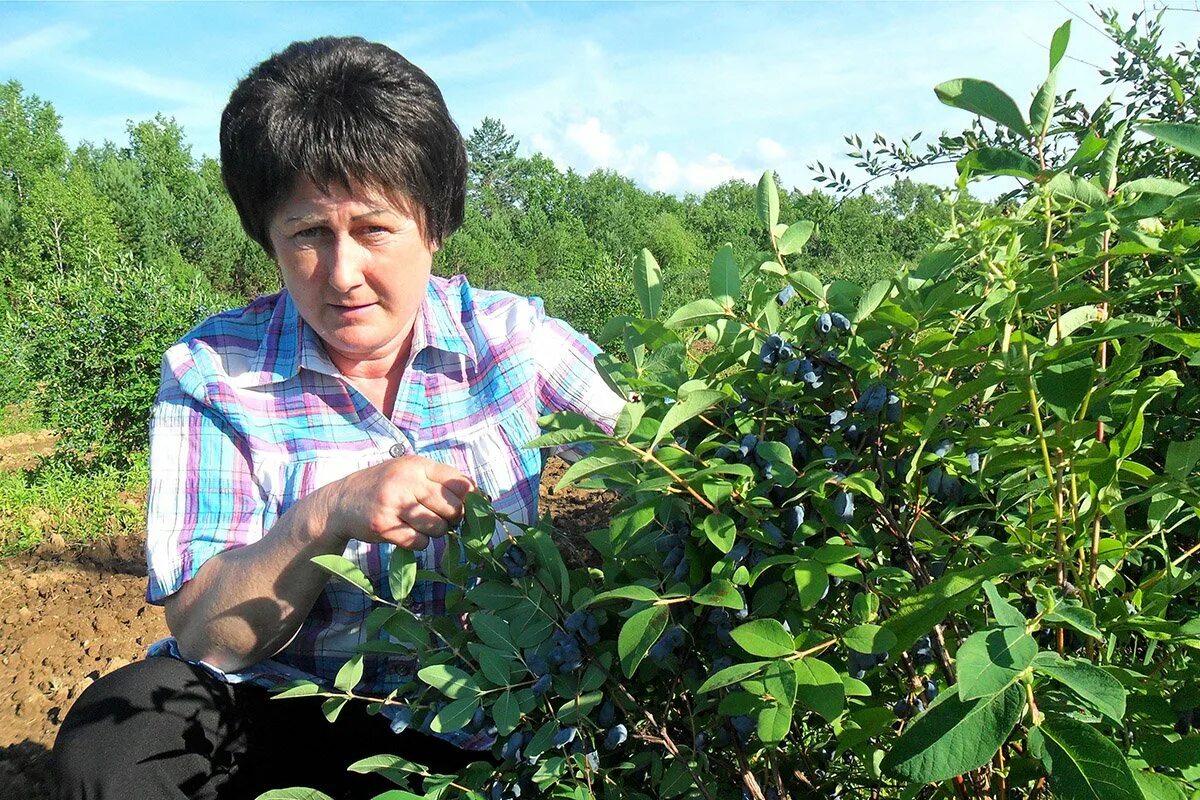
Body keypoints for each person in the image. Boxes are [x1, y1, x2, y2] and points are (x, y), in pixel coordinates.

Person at [52, 36, 625, 799]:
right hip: (282, 711)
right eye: (310, 234)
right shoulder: (215, 371)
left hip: (489, 716)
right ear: (270, 240)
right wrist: (328, 514)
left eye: (374, 228)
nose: (343, 273)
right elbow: (206, 638)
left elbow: (662, 446)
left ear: (435, 227)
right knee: (118, 734)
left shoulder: (512, 340)